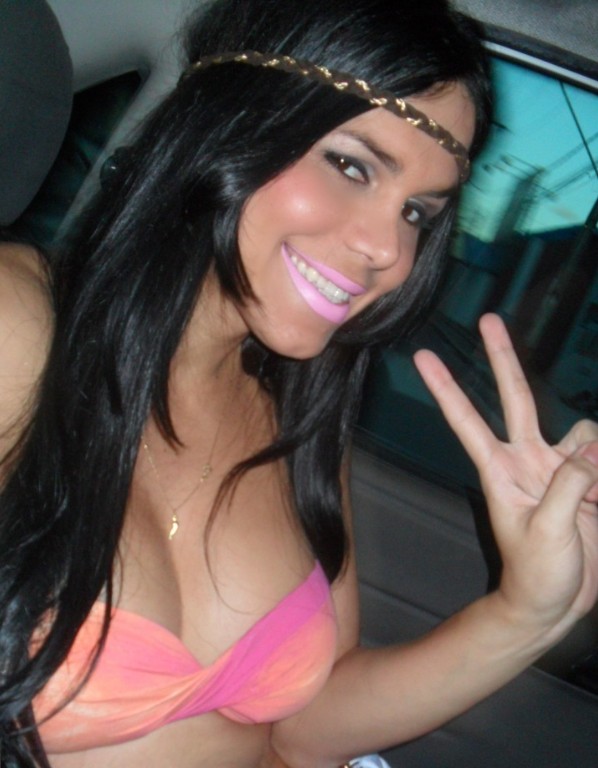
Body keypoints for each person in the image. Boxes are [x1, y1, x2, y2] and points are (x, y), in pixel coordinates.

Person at [0, 0, 596, 766]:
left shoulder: (295, 412)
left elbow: (301, 735)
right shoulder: (21, 325)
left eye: (417, 213)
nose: (388, 251)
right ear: (230, 123)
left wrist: (528, 612)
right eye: (352, 166)